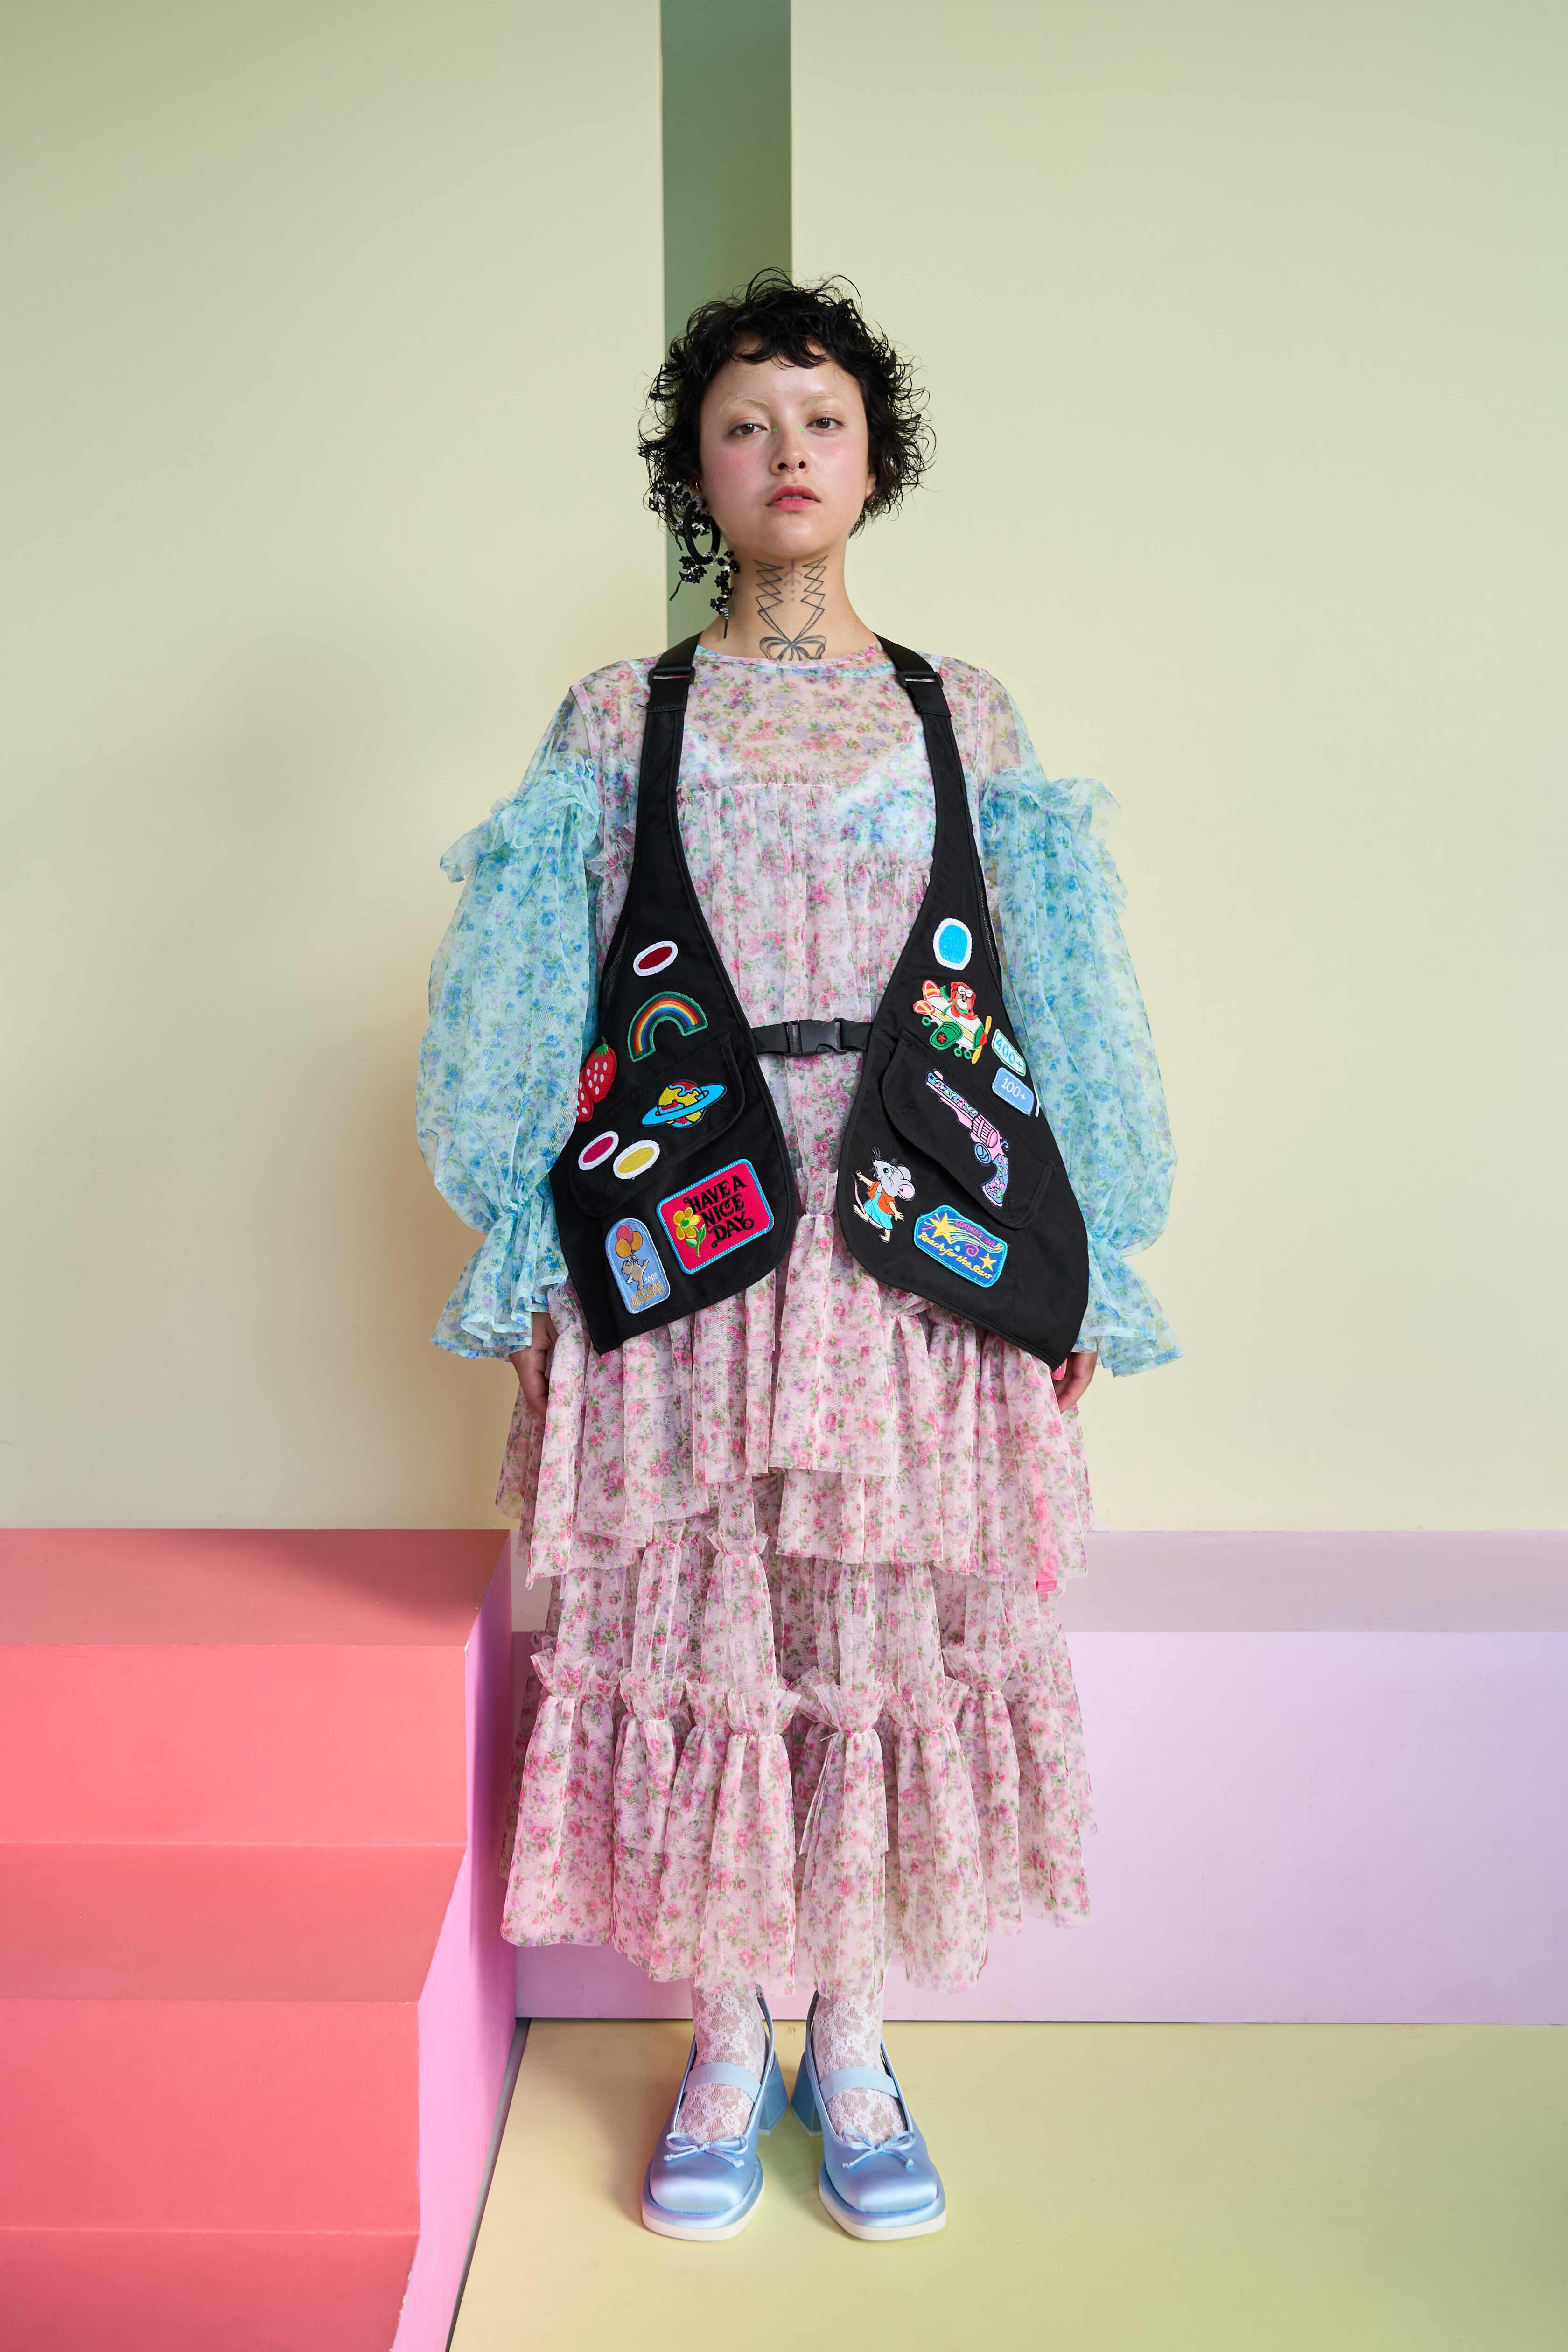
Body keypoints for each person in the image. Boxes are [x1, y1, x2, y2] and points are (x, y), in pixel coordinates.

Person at [418, 272, 1177, 2242]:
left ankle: (854, 2039)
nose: (788, 454)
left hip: (916, 1230)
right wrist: (527, 1255)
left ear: (874, 461)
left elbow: (1058, 994)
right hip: (693, 1218)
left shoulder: (964, 711)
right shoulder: (621, 716)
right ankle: (725, 2038)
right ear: (698, 470)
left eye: (822, 420)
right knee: (711, 1627)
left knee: (875, 1631)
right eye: (747, 425)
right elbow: (540, 991)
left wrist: (1084, 1254)